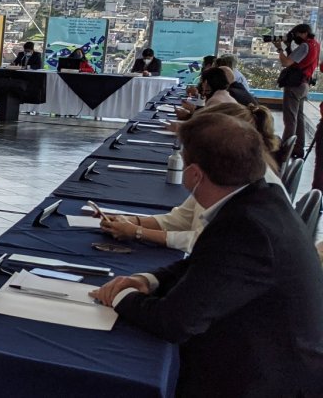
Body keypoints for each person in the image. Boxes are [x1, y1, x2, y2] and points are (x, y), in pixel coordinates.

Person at [90, 112, 323, 397]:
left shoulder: (245, 228)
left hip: (264, 378)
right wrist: (148, 280)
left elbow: (175, 322)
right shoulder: (259, 200)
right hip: (264, 353)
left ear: (194, 174)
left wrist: (118, 296)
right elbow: (206, 263)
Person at [99, 102, 285, 252]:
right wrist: (133, 221)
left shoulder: (251, 187)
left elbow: (203, 241)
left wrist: (138, 232)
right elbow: (183, 217)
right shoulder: (225, 171)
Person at [274, 23, 319, 159]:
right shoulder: (315, 44)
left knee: (290, 119)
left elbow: (286, 63)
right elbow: (296, 61)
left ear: (304, 33)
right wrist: (288, 47)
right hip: (304, 84)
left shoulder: (305, 45)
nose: (295, 38)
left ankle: (284, 150)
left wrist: (279, 49)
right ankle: (298, 148)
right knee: (299, 118)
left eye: (296, 35)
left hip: (295, 86)